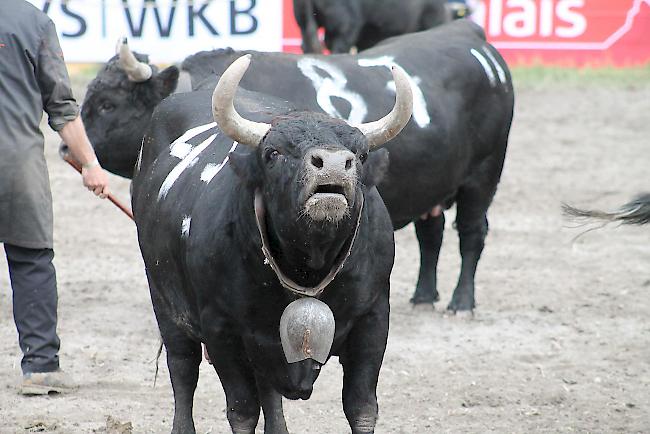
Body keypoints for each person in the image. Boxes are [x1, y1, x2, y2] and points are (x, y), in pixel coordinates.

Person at [1, 0, 110, 395]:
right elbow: (62, 108)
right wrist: (90, 164)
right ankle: (41, 366)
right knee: (31, 261)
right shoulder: (34, 22)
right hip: (17, 168)